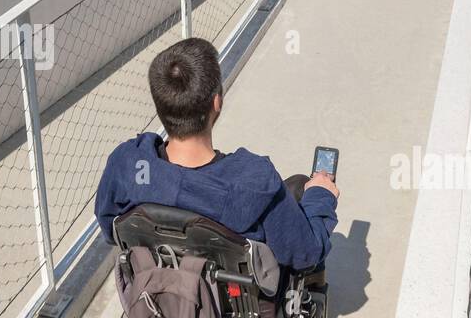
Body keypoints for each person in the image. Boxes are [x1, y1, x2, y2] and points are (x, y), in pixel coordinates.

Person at [94, 37, 338, 271]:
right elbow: (306, 252)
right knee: (301, 186)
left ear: (160, 104)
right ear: (217, 102)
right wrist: (320, 196)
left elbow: (111, 227)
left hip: (156, 297)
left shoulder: (128, 165)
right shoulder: (254, 181)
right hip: (235, 309)